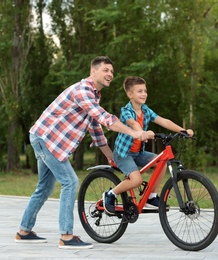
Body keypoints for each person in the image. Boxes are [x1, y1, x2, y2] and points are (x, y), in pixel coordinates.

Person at [15, 57, 149, 249]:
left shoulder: (94, 95)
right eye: (105, 70)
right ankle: (66, 236)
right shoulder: (83, 90)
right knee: (70, 182)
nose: (110, 74)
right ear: (93, 72)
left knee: (45, 187)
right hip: (47, 139)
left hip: (45, 138)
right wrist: (133, 132)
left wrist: (109, 155)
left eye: (111, 71)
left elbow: (95, 126)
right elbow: (104, 117)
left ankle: (24, 231)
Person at [103, 76, 193, 215]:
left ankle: (151, 197)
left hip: (138, 153)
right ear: (130, 94)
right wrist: (142, 133)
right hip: (123, 154)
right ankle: (110, 194)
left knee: (161, 161)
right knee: (137, 180)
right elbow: (133, 123)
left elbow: (163, 121)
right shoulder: (126, 111)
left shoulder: (145, 110)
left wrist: (183, 130)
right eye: (139, 91)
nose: (144, 94)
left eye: (145, 91)